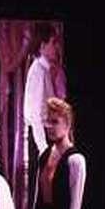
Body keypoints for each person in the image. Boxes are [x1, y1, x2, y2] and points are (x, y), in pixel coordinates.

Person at [23, 23, 66, 156]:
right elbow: (36, 113)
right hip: (41, 137)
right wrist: (43, 148)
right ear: (42, 46)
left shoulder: (45, 70)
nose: (57, 48)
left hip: (47, 134)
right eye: (53, 43)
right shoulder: (38, 71)